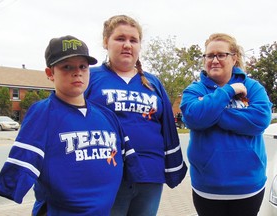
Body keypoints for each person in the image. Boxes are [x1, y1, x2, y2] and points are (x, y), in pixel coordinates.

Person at [0, 35, 145, 216]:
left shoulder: (107, 116)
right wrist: (12, 184)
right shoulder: (43, 113)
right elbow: (21, 165)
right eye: (67, 67)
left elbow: (130, 162)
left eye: (83, 66)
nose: (77, 72)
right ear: (50, 74)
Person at [84, 15, 187, 216]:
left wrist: (172, 168)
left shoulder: (153, 83)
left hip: (150, 175)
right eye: (120, 39)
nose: (127, 45)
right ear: (106, 42)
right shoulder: (89, 77)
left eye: (133, 40)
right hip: (106, 175)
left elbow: (168, 129)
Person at [180, 33, 272, 216]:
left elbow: (260, 120)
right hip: (208, 187)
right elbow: (193, 117)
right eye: (209, 55)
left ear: (234, 58)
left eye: (221, 55)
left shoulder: (252, 87)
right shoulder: (195, 89)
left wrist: (209, 112)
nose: (214, 60)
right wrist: (229, 91)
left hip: (248, 186)